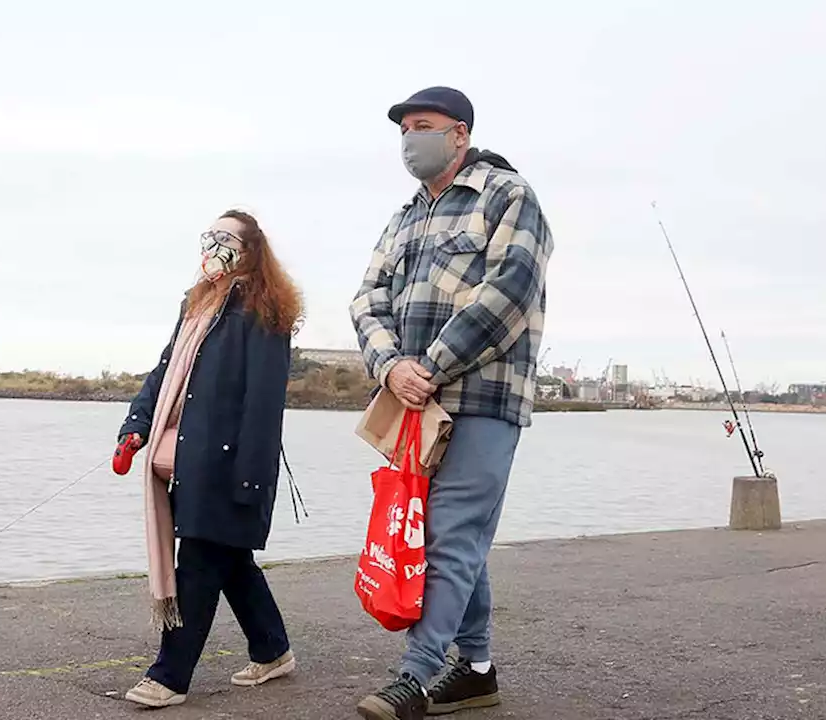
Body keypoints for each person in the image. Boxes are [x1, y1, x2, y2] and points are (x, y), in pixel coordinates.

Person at [350, 87, 554, 720]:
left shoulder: (507, 195)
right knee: (454, 536)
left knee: (449, 532)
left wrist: (430, 366)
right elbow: (367, 298)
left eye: (424, 126)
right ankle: (477, 669)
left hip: (484, 398)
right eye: (405, 129)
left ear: (459, 134)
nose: (411, 138)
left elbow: (511, 290)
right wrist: (392, 367)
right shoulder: (406, 214)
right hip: (415, 403)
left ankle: (416, 675)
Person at [116, 209, 304, 709]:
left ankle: (170, 676)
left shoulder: (264, 311)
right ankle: (273, 649)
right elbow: (163, 374)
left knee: (199, 564)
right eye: (210, 235)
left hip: (230, 465)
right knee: (231, 559)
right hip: (190, 458)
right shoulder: (196, 306)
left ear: (250, 249)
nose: (214, 245)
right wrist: (134, 428)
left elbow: (263, 406)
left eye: (227, 237)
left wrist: (249, 482)